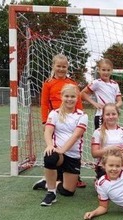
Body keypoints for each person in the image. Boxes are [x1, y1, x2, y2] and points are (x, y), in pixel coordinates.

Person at [33, 54, 86, 190]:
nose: (61, 69)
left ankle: (73, 176)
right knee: (54, 148)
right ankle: (52, 179)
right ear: (53, 66)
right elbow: (44, 103)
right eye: (59, 66)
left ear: (67, 67)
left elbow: (78, 102)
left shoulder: (72, 84)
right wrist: (45, 121)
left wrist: (79, 118)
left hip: (71, 119)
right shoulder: (48, 83)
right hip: (56, 120)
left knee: (73, 145)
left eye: (64, 66)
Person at [40, 84, 88, 206]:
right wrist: (50, 145)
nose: (69, 99)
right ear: (62, 97)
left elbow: (76, 136)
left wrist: (63, 150)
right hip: (59, 155)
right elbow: (48, 131)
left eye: (73, 96)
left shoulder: (82, 116)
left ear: (77, 98)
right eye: (67, 96)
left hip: (73, 155)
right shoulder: (54, 113)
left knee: (68, 191)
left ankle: (48, 183)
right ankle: (51, 193)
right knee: (50, 156)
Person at [91, 103, 123, 179]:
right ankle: (99, 179)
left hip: (120, 166)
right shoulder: (98, 132)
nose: (111, 117)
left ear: (118, 115)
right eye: (107, 114)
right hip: (103, 167)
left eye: (113, 114)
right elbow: (94, 154)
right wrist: (110, 149)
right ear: (103, 116)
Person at [81, 58, 123, 130]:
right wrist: (94, 103)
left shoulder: (115, 84)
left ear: (111, 71)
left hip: (112, 116)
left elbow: (120, 101)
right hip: (101, 115)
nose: (106, 72)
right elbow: (82, 94)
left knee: (111, 138)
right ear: (99, 70)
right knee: (101, 138)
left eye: (108, 70)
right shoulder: (97, 83)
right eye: (103, 70)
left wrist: (113, 108)